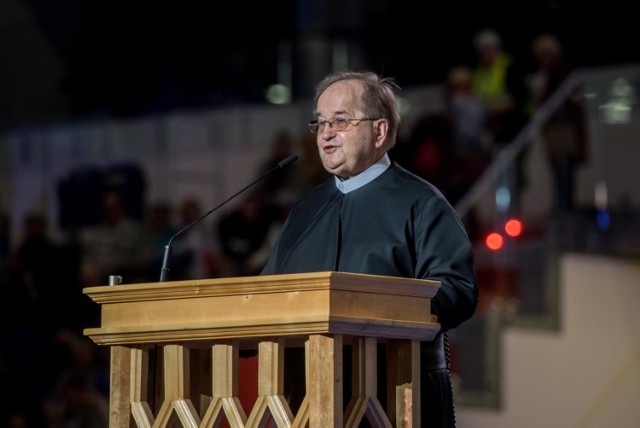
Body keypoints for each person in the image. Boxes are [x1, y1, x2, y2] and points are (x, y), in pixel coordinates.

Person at [260, 70, 479, 426]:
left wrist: (370, 309)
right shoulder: (305, 209)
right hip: (306, 398)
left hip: (395, 393)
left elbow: (457, 291)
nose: (326, 133)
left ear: (379, 131)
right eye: (321, 123)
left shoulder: (421, 202)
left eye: (341, 121)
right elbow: (267, 293)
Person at [529, 32, 587, 215]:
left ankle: (565, 206)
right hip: (554, 127)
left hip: (564, 127)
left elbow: (568, 99)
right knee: (558, 167)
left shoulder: (559, 71)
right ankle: (563, 205)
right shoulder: (548, 72)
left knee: (565, 166)